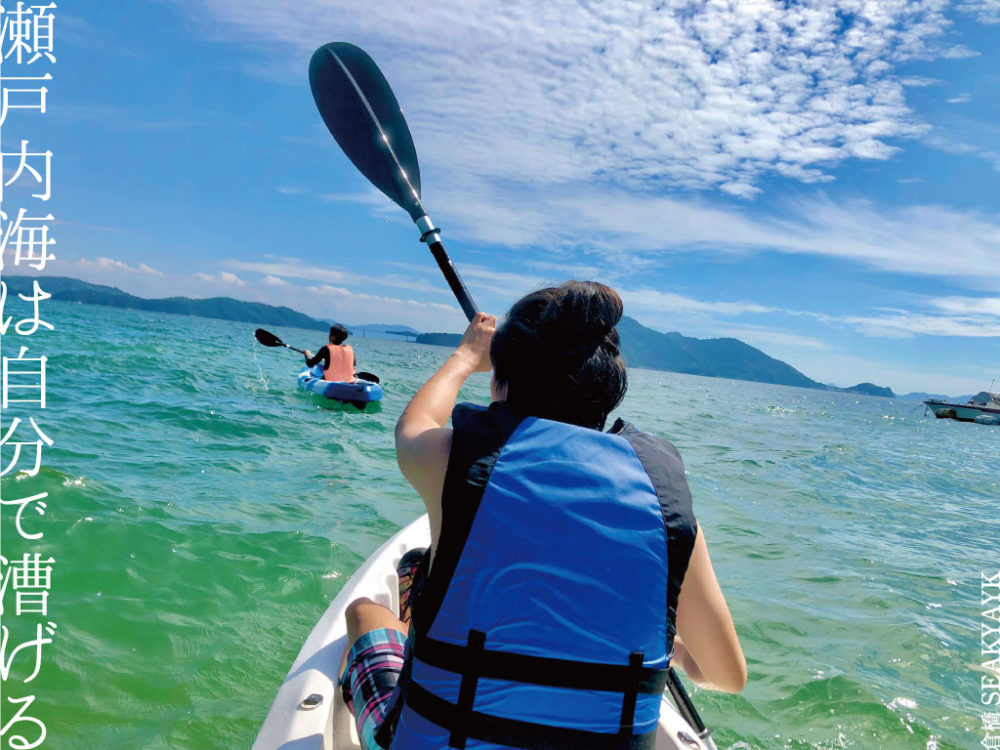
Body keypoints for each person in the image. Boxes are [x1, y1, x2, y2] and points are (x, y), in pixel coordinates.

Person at [341, 281, 746, 750]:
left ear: (500, 382)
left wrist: (466, 356)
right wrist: (676, 652)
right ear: (608, 395)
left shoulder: (459, 463)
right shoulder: (665, 508)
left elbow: (415, 425)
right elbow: (727, 675)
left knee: (366, 612)